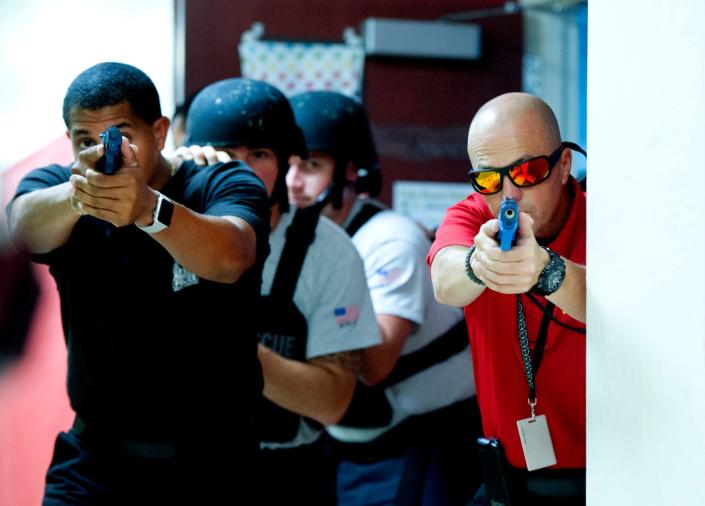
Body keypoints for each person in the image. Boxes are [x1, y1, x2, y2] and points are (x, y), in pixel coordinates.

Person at [5, 62, 271, 504]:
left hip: (213, 461)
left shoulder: (219, 181)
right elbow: (21, 229)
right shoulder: (61, 185)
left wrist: (150, 210)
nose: (103, 152)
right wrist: (79, 196)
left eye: (119, 136)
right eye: (84, 140)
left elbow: (231, 256)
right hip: (96, 456)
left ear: (160, 133)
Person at [180, 78, 381, 504]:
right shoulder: (165, 232)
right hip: (178, 464)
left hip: (287, 473)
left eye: (258, 154)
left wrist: (228, 342)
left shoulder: (328, 250)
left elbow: (331, 402)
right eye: (224, 155)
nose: (240, 170)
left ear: (287, 160)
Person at [287, 90, 482, 506]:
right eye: (288, 165)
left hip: (422, 442)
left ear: (351, 171)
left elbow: (373, 367)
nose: (294, 182)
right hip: (353, 443)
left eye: (311, 165)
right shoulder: (303, 238)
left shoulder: (388, 239)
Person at [427, 92, 586, 505]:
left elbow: (623, 308)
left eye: (528, 171)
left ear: (564, 166)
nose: (509, 196)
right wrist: (477, 266)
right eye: (489, 179)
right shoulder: (472, 214)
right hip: (508, 485)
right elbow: (445, 281)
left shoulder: (606, 220)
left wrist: (548, 271)